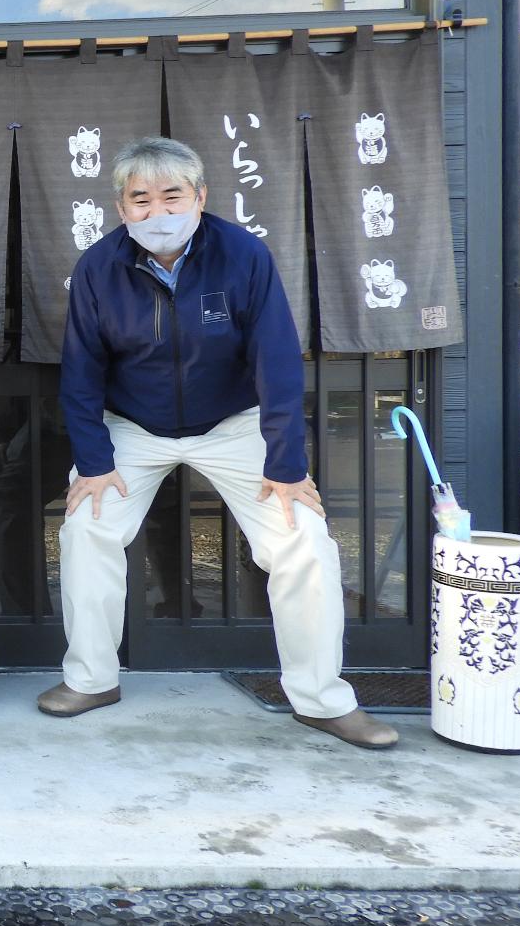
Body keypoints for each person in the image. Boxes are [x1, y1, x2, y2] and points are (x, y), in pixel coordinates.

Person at [45, 135, 397, 750]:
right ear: (121, 208)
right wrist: (94, 464)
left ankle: (321, 698)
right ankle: (92, 678)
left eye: (172, 196)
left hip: (234, 422)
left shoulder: (243, 255)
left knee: (303, 539)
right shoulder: (99, 267)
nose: (158, 212)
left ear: (201, 197)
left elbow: (278, 362)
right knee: (86, 529)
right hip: (133, 425)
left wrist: (287, 465)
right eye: (141, 200)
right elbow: (80, 373)